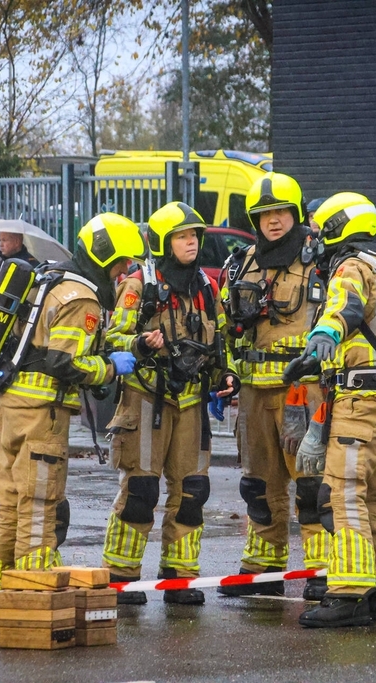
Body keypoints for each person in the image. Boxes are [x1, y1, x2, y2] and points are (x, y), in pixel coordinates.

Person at [0, 213, 145, 596]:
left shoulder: (50, 278)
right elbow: (64, 362)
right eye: (122, 261)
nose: (124, 271)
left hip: (11, 404)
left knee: (11, 500)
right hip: (43, 414)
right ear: (105, 256)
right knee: (40, 500)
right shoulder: (82, 298)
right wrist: (109, 368)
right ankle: (33, 585)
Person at [101, 201, 239, 606]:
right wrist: (140, 344)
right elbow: (112, 340)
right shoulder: (138, 285)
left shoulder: (207, 287)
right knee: (141, 489)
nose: (191, 242)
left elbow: (221, 341)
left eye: (194, 235)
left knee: (193, 490)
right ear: (163, 242)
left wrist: (226, 376)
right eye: (182, 236)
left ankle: (180, 576)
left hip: (191, 402)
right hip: (146, 398)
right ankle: (121, 576)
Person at [288, 192, 376, 628]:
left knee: (342, 493)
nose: (314, 238)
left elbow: (345, 306)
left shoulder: (351, 267)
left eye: (319, 229)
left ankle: (349, 594)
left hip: (359, 404)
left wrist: (324, 335)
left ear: (339, 227)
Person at [217, 172, 331, 601]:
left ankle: (321, 570)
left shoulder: (319, 260)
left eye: (282, 211)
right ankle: (262, 567)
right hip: (253, 394)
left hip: (304, 392)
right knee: (258, 486)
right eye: (265, 214)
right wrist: (226, 373)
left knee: (311, 484)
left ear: (296, 213)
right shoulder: (242, 263)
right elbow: (226, 329)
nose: (274, 220)